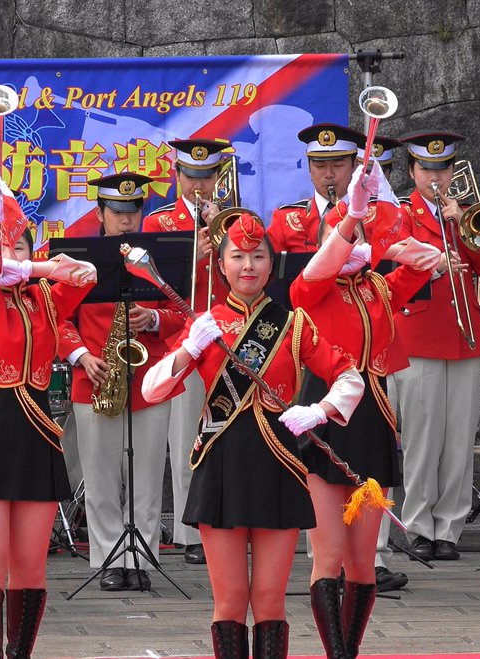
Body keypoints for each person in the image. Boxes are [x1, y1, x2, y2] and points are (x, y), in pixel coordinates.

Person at [142, 213, 363, 659]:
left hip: (278, 465)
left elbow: (349, 376)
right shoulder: (204, 324)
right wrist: (188, 349)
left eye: (258, 256)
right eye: (237, 256)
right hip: (220, 466)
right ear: (220, 265)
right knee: (228, 602)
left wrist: (317, 411)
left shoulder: (293, 323)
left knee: (268, 601)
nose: (248, 266)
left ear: (271, 264)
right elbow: (152, 388)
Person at [0, 176, 96, 659]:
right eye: (5, 245)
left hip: (37, 435)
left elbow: (85, 275)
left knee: (30, 566)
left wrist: (48, 266)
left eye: (20, 241)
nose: (11, 251)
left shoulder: (44, 299)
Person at [290, 162, 438, 657]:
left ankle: (349, 650)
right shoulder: (309, 293)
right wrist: (351, 221)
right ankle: (334, 651)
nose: (351, 246)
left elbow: (430, 261)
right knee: (327, 554)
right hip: (325, 418)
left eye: (355, 240)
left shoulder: (378, 288)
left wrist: (384, 244)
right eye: (341, 238)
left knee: (361, 560)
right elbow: (317, 269)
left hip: (373, 420)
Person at [57, 171, 186, 592]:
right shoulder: (78, 256)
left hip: (150, 377)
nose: (127, 221)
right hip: (95, 374)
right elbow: (55, 317)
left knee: (148, 473)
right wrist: (81, 356)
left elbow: (184, 313)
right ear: (100, 212)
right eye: (117, 213)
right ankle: (109, 557)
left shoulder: (160, 256)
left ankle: (143, 557)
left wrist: (155, 318)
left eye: (134, 213)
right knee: (100, 476)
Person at [391, 131, 480, 562]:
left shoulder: (466, 213)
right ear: (413, 172)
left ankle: (450, 527)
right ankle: (417, 525)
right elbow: (389, 258)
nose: (436, 176)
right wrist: (432, 264)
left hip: (465, 335)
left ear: (453, 172)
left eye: (443, 168)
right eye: (427, 169)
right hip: (418, 336)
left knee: (458, 439)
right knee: (422, 437)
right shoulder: (401, 213)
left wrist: (462, 226)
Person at [140, 137, 234, 565]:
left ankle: (225, 521)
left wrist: (224, 238)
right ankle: (187, 530)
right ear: (177, 176)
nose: (201, 186)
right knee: (184, 441)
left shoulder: (231, 220)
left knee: (226, 435)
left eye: (208, 177)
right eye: (193, 177)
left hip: (228, 339)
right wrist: (192, 256)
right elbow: (153, 287)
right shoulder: (160, 224)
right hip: (184, 339)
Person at [355, 134, 412, 593]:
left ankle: (374, 557)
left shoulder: (377, 282)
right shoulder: (314, 281)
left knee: (377, 465)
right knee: (331, 476)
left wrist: (397, 251)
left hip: (374, 378)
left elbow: (416, 264)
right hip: (330, 380)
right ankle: (333, 562)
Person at [266, 124, 366, 252]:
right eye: (320, 166)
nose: (329, 174)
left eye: (338, 165)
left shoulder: (377, 214)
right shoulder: (283, 219)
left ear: (355, 166)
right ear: (309, 168)